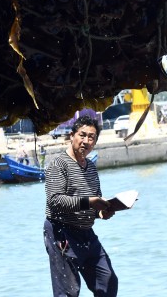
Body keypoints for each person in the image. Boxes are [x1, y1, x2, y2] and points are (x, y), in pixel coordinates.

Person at [43, 115, 118, 297]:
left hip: (87, 234)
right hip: (61, 232)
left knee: (107, 281)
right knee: (68, 292)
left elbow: (94, 206)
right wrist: (89, 201)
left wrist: (102, 213)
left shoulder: (91, 168)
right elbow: (55, 201)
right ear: (72, 136)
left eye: (91, 137)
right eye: (82, 135)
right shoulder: (59, 164)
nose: (86, 141)